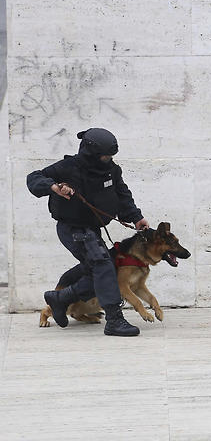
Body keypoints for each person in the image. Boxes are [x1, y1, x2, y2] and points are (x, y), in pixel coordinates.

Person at [27, 128, 149, 337]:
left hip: (92, 229)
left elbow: (122, 194)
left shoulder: (111, 170)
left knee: (104, 268)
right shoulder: (67, 167)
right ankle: (114, 320)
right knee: (103, 266)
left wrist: (136, 217)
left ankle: (60, 298)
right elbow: (34, 178)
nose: (108, 159)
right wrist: (53, 187)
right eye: (104, 156)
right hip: (72, 229)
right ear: (90, 153)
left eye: (110, 156)